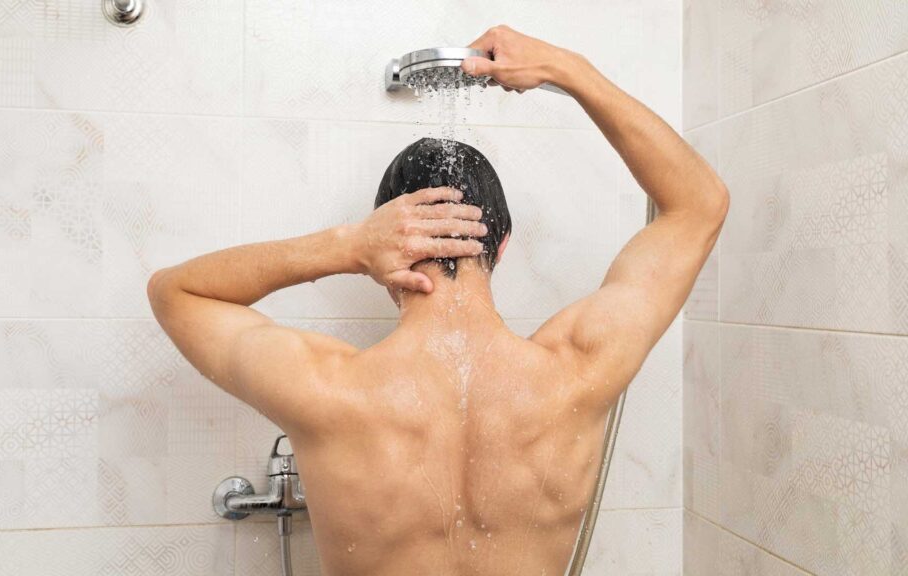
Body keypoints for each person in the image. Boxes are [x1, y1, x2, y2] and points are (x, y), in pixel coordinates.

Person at [147, 25, 728, 576]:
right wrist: (566, 70)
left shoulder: (326, 389)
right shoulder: (577, 369)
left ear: (384, 261)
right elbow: (701, 202)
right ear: (502, 243)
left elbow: (175, 293)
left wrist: (346, 244)